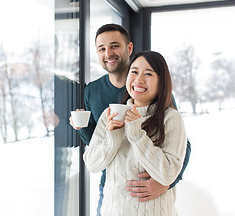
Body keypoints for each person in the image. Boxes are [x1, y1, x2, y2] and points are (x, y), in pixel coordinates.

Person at [70, 24, 191, 215]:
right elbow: (94, 150)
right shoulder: (94, 93)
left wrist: (165, 184)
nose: (138, 80)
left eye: (114, 46)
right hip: (111, 192)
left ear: (129, 48)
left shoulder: (168, 114)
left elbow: (182, 150)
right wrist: (92, 130)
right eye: (101, 48)